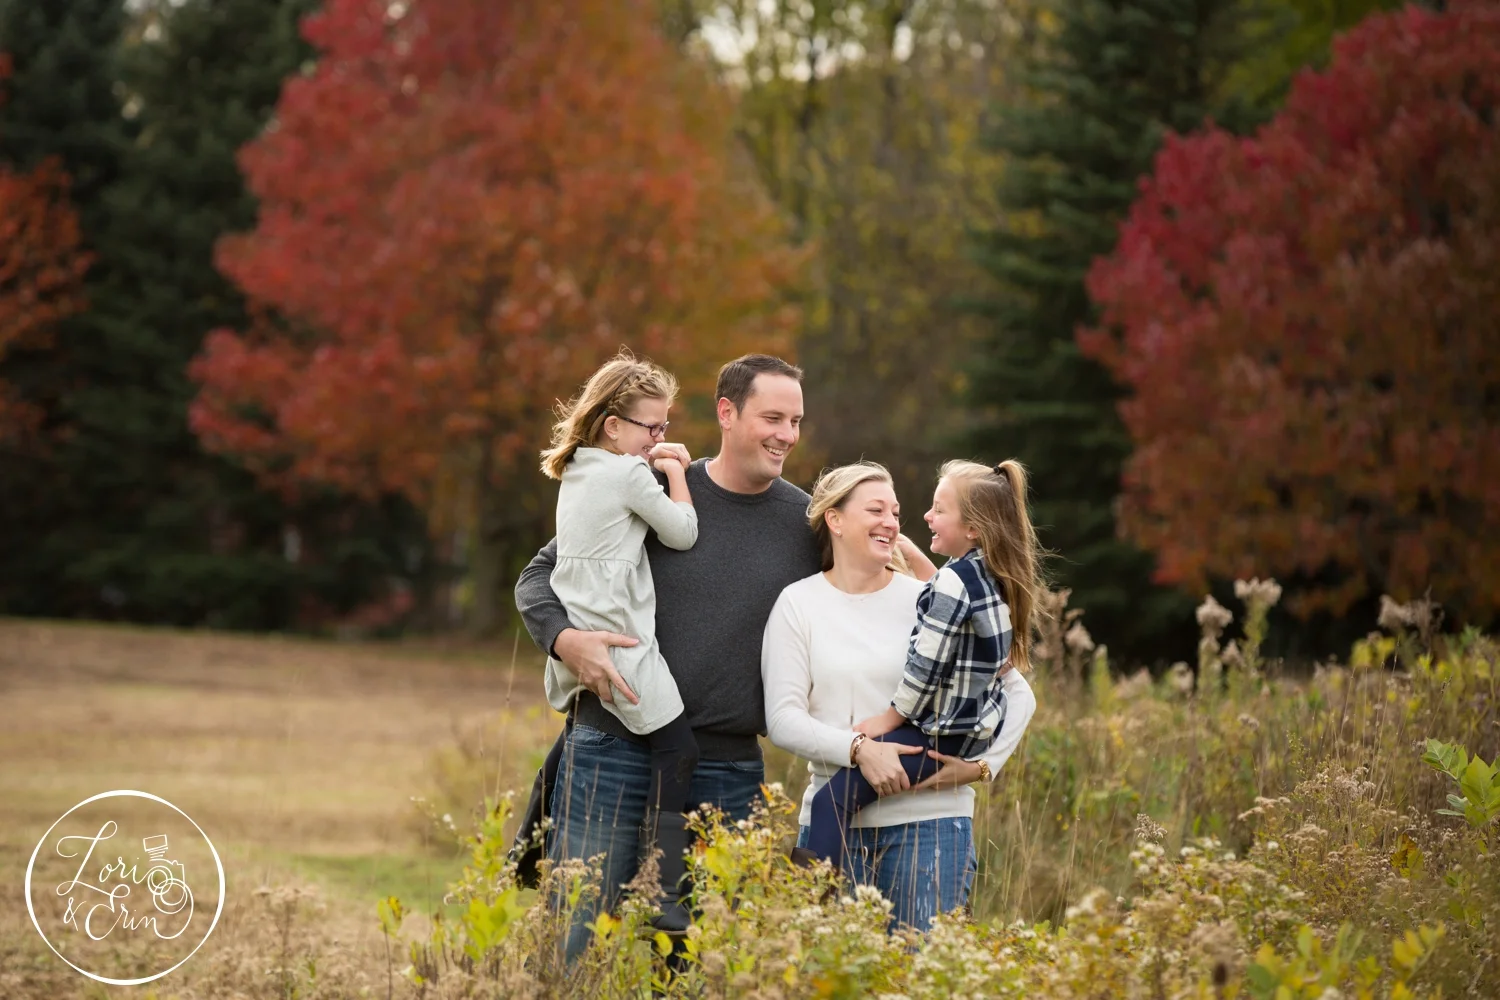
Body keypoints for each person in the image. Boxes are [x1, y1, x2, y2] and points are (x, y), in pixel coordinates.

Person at [514, 354, 822, 956]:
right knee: (571, 944)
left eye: (796, 420)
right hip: (611, 749)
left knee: (694, 961)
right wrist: (565, 640)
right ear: (727, 413)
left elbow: (865, 589)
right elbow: (540, 574)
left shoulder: (806, 522)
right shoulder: (645, 485)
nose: (787, 434)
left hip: (729, 773)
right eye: (773, 417)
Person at [761, 461, 1038, 929]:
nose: (891, 522)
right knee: (829, 973)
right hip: (837, 828)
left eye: (895, 511)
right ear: (835, 519)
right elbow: (783, 719)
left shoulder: (930, 598)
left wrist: (984, 767)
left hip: (932, 825)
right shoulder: (798, 603)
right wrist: (859, 750)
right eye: (875, 510)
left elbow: (1018, 691)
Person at [524, 352, 700, 932]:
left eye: (665, 429)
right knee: (678, 747)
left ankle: (527, 844)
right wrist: (676, 473)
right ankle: (663, 877)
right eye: (652, 428)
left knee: (577, 727)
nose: (659, 438)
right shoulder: (629, 474)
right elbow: (681, 532)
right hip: (621, 640)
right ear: (613, 426)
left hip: (581, 625)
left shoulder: (576, 471)